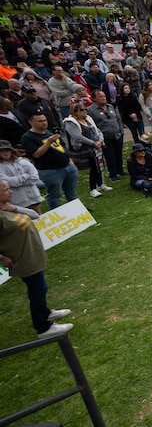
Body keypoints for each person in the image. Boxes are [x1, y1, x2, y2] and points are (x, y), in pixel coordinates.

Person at [0, 180, 73, 338]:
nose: (11, 192)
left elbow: (34, 215)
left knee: (39, 288)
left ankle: (45, 312)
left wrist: (14, 207)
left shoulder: (9, 208)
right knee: (38, 289)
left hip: (32, 253)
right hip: (21, 258)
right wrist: (1, 257)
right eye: (6, 190)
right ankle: (43, 327)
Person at [21, 113, 78, 210]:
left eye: (45, 120)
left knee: (71, 191)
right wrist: (48, 142)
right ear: (31, 122)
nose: (44, 123)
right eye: (40, 121)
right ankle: (57, 214)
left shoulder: (48, 132)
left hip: (68, 166)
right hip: (50, 171)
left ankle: (77, 210)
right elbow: (36, 154)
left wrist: (70, 160)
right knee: (54, 195)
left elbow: (63, 147)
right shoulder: (28, 138)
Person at [64, 104, 111, 198]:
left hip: (96, 146)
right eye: (82, 110)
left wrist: (100, 141)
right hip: (85, 149)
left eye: (85, 109)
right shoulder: (70, 122)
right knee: (93, 167)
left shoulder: (88, 119)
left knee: (100, 165)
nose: (85, 111)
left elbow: (97, 130)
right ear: (75, 112)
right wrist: (93, 143)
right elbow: (77, 137)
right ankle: (93, 188)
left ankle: (101, 184)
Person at [87, 90, 126, 181]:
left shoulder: (110, 106)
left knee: (118, 153)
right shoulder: (90, 110)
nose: (103, 98)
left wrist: (121, 131)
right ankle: (113, 174)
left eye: (104, 96)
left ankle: (120, 170)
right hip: (105, 137)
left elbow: (118, 119)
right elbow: (92, 125)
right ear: (94, 98)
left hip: (117, 134)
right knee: (110, 156)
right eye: (100, 96)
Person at [0, 139, 43, 213]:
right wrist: (25, 176)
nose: (5, 153)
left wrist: (17, 181)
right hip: (18, 202)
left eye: (7, 150)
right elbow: (6, 183)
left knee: (39, 218)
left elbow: (35, 178)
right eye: (1, 151)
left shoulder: (24, 161)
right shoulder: (1, 166)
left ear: (11, 150)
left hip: (34, 198)